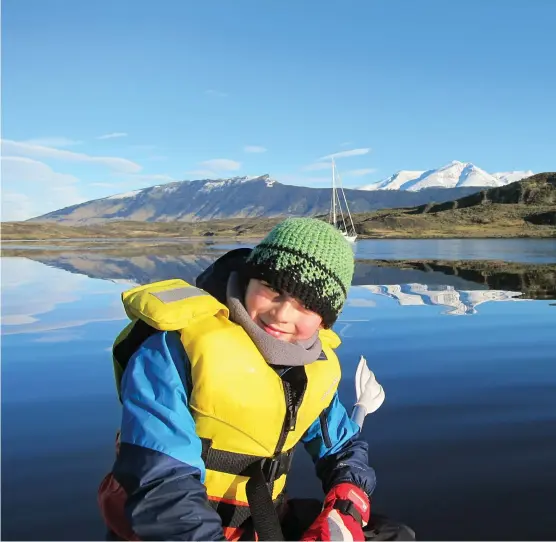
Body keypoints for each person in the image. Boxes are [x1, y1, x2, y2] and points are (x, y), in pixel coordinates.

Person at [98, 217, 414, 541]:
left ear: (325, 320)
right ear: (250, 279)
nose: (282, 315)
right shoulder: (174, 349)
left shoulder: (312, 366)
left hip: (262, 520)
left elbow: (343, 449)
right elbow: (161, 483)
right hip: (175, 529)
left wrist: (345, 510)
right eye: (273, 289)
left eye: (306, 305)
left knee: (395, 535)